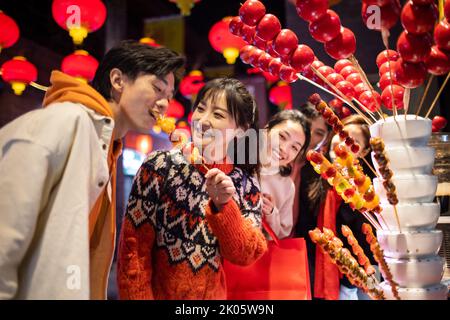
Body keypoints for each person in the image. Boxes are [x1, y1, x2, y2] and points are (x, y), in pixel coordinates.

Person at [0, 40, 185, 299]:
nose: (165, 104)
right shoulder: (67, 121)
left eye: (169, 96)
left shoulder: (108, 147)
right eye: (157, 88)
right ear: (118, 80)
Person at [116, 78, 267, 300]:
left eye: (218, 115)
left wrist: (223, 206)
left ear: (241, 131)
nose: (203, 121)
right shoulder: (159, 166)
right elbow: (134, 250)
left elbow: (245, 255)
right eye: (201, 109)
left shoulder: (246, 184)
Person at [298, 114, 377, 300]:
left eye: (353, 141)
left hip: (362, 277)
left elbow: (367, 237)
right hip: (319, 273)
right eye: (341, 135)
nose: (342, 143)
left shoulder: (367, 187)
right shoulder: (312, 176)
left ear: (363, 151)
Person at [260, 110, 310, 239]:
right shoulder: (237, 161)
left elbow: (283, 233)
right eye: (282, 137)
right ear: (266, 129)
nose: (284, 149)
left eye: (294, 148)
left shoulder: (287, 186)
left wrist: (271, 213)